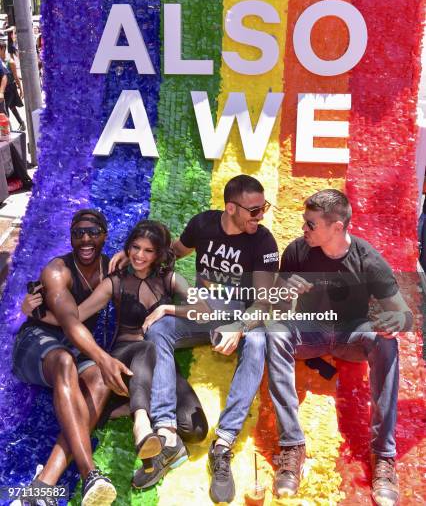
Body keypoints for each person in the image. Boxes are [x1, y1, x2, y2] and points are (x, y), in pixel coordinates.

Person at [111, 175, 279, 502]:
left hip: (241, 315)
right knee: (158, 329)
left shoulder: (263, 242)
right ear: (231, 207)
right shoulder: (203, 224)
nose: (260, 216)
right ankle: (167, 435)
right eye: (254, 210)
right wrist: (130, 255)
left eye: (263, 208)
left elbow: (265, 301)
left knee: (258, 341)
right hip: (202, 311)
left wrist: (239, 327)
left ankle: (224, 444)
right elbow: (169, 253)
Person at [266, 189, 413, 506]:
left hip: (351, 334)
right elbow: (272, 307)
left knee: (386, 343)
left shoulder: (367, 259)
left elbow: (404, 314)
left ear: (336, 227)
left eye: (310, 224)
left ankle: (383, 457)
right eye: (304, 223)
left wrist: (393, 322)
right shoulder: (297, 251)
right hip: (312, 330)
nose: (303, 229)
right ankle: (293, 446)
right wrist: (283, 291)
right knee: (276, 332)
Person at [24, 220, 209, 465]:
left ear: (158, 254)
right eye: (135, 247)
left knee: (194, 429)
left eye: (148, 250)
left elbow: (204, 309)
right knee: (146, 346)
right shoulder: (115, 282)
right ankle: (141, 426)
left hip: (159, 362)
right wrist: (34, 312)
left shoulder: (170, 279)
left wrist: (166, 308)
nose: (139, 255)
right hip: (125, 356)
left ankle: (128, 406)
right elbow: (75, 316)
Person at [12, 209, 131, 506]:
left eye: (93, 232)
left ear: (105, 234)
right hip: (38, 344)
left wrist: (131, 258)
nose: (86, 239)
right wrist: (103, 358)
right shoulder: (56, 271)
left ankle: (42, 486)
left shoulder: (113, 270)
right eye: (78, 233)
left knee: (101, 383)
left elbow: (155, 265)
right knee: (65, 360)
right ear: (70, 238)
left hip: (79, 347)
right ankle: (89, 472)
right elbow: (71, 321)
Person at [0, 38, 25, 131]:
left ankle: (7, 130)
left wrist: (21, 89)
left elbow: (15, 77)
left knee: (4, 108)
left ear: (3, 49)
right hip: (4, 89)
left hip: (10, 89)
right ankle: (21, 123)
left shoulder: (10, 62)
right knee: (11, 107)